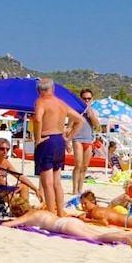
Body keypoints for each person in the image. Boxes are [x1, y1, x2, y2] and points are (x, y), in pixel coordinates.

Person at [32, 78, 87, 215]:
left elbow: (38, 118)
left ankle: (51, 212)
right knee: (57, 182)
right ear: (53, 89)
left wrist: (37, 138)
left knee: (48, 182)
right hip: (59, 141)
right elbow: (80, 120)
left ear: (39, 91)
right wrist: (68, 138)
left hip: (47, 140)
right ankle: (60, 211)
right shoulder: (61, 103)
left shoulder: (41, 102)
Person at [1, 208, 132, 249]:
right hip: (68, 220)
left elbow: (8, 225)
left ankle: (127, 237)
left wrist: (1, 223)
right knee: (101, 233)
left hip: (63, 226)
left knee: (97, 238)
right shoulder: (39, 211)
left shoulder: (27, 217)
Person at [71, 88, 102, 196]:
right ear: (81, 99)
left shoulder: (93, 112)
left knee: (84, 166)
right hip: (77, 139)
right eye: (84, 99)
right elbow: (70, 126)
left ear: (92, 99)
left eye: (89, 98)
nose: (86, 101)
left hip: (88, 139)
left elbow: (97, 126)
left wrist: (91, 114)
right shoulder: (76, 110)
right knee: (78, 164)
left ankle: (80, 189)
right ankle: (74, 189)